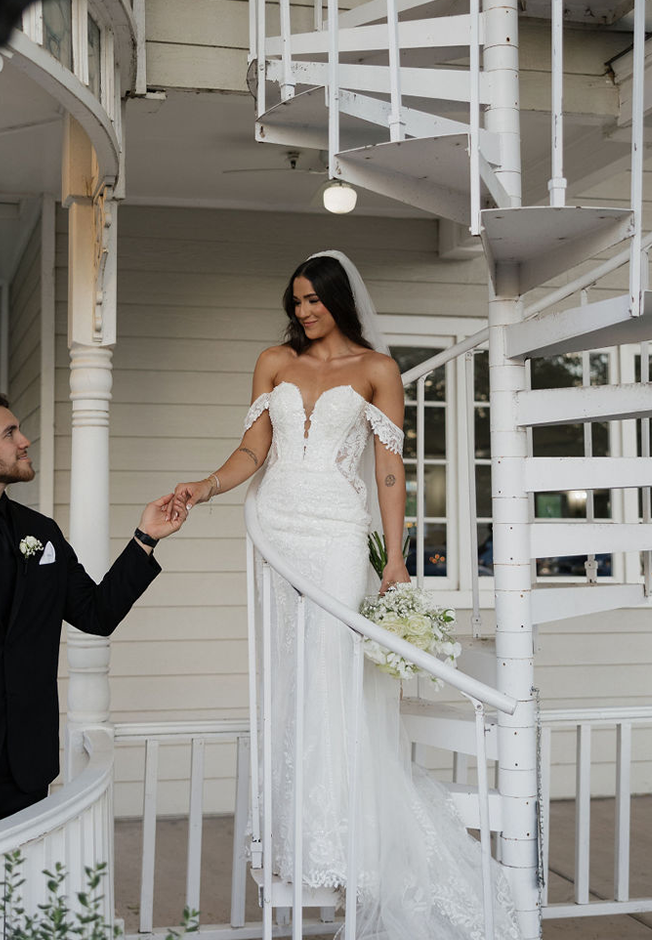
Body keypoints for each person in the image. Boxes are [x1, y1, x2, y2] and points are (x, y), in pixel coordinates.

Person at [172, 252, 520, 940]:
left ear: (337, 299)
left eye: (312, 300)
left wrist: (394, 559)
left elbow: (390, 473)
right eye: (295, 301)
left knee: (332, 670)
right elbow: (253, 453)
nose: (302, 312)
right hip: (278, 526)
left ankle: (347, 834)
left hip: (335, 534)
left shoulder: (376, 371)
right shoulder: (273, 361)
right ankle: (304, 831)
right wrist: (204, 487)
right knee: (290, 676)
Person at [0, 391, 185, 849]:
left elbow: (96, 615)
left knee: (21, 902)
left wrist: (145, 539)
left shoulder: (41, 532)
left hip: (25, 763)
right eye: (10, 433)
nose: (25, 440)